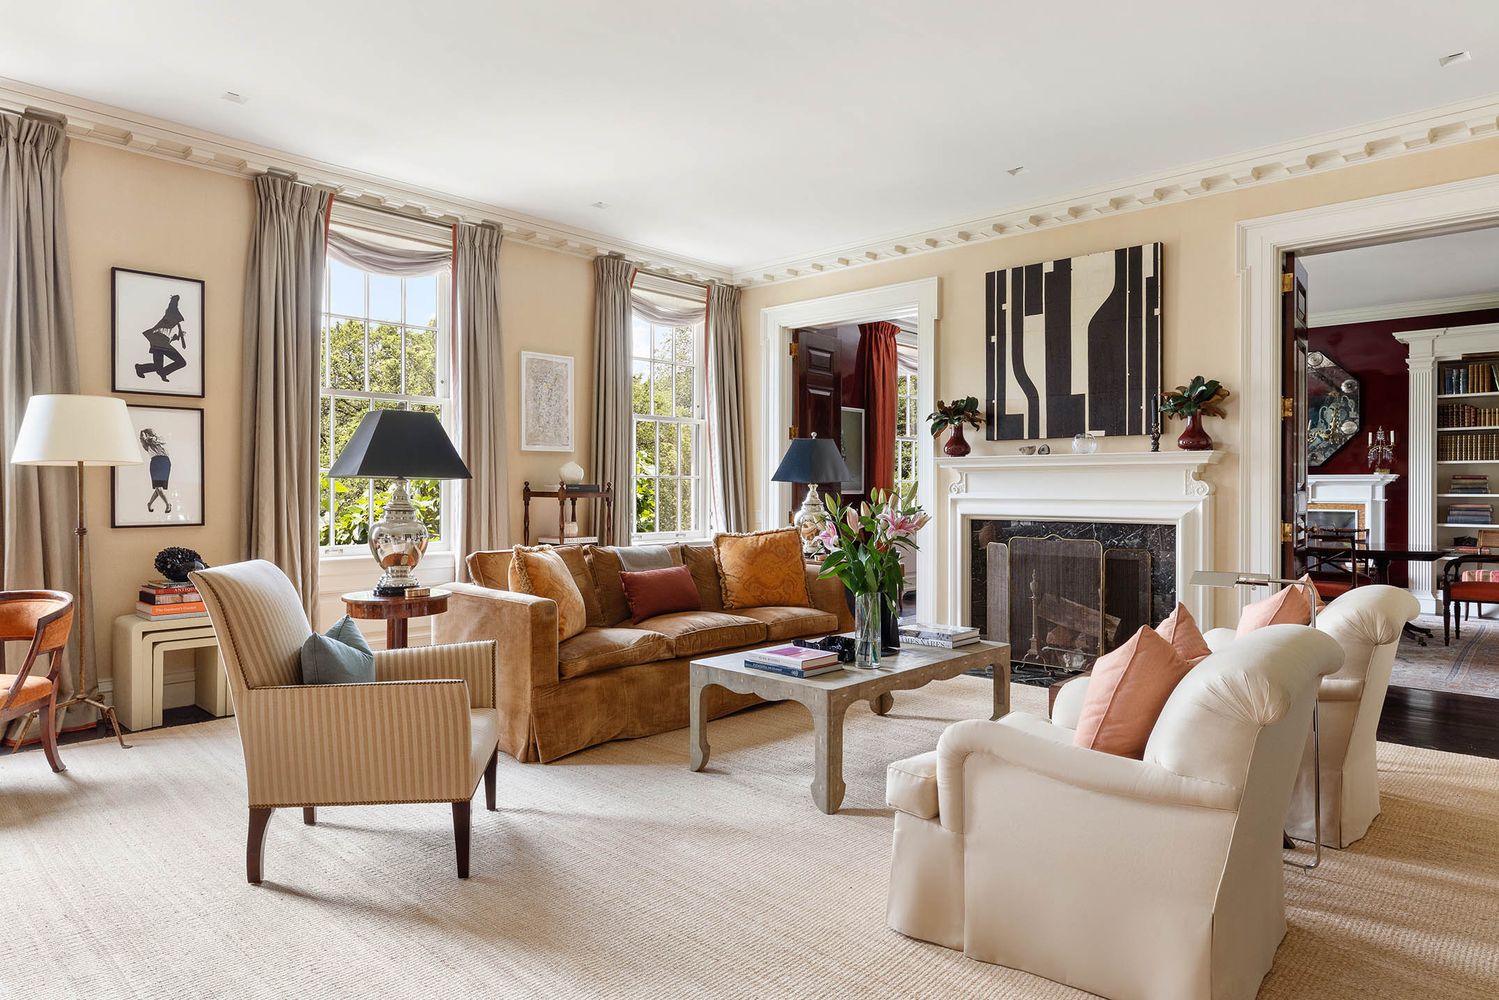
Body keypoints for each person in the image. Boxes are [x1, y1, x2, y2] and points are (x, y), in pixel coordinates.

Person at [134, 294, 189, 383]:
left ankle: (141, 368)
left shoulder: (170, 326)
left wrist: (178, 336)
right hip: (159, 342)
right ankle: (163, 372)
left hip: (160, 342)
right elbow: (172, 306)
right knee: (181, 362)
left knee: (158, 366)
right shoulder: (169, 315)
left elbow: (168, 337)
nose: (177, 321)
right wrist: (175, 299)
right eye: (178, 319)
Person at [140, 429, 172, 514]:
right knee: (158, 487)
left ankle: (149, 503)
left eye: (147, 434)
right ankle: (168, 504)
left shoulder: (159, 438)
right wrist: (142, 437)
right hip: (155, 462)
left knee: (159, 487)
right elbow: (144, 442)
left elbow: (154, 440)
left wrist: (147, 437)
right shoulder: (147, 445)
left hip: (165, 462)